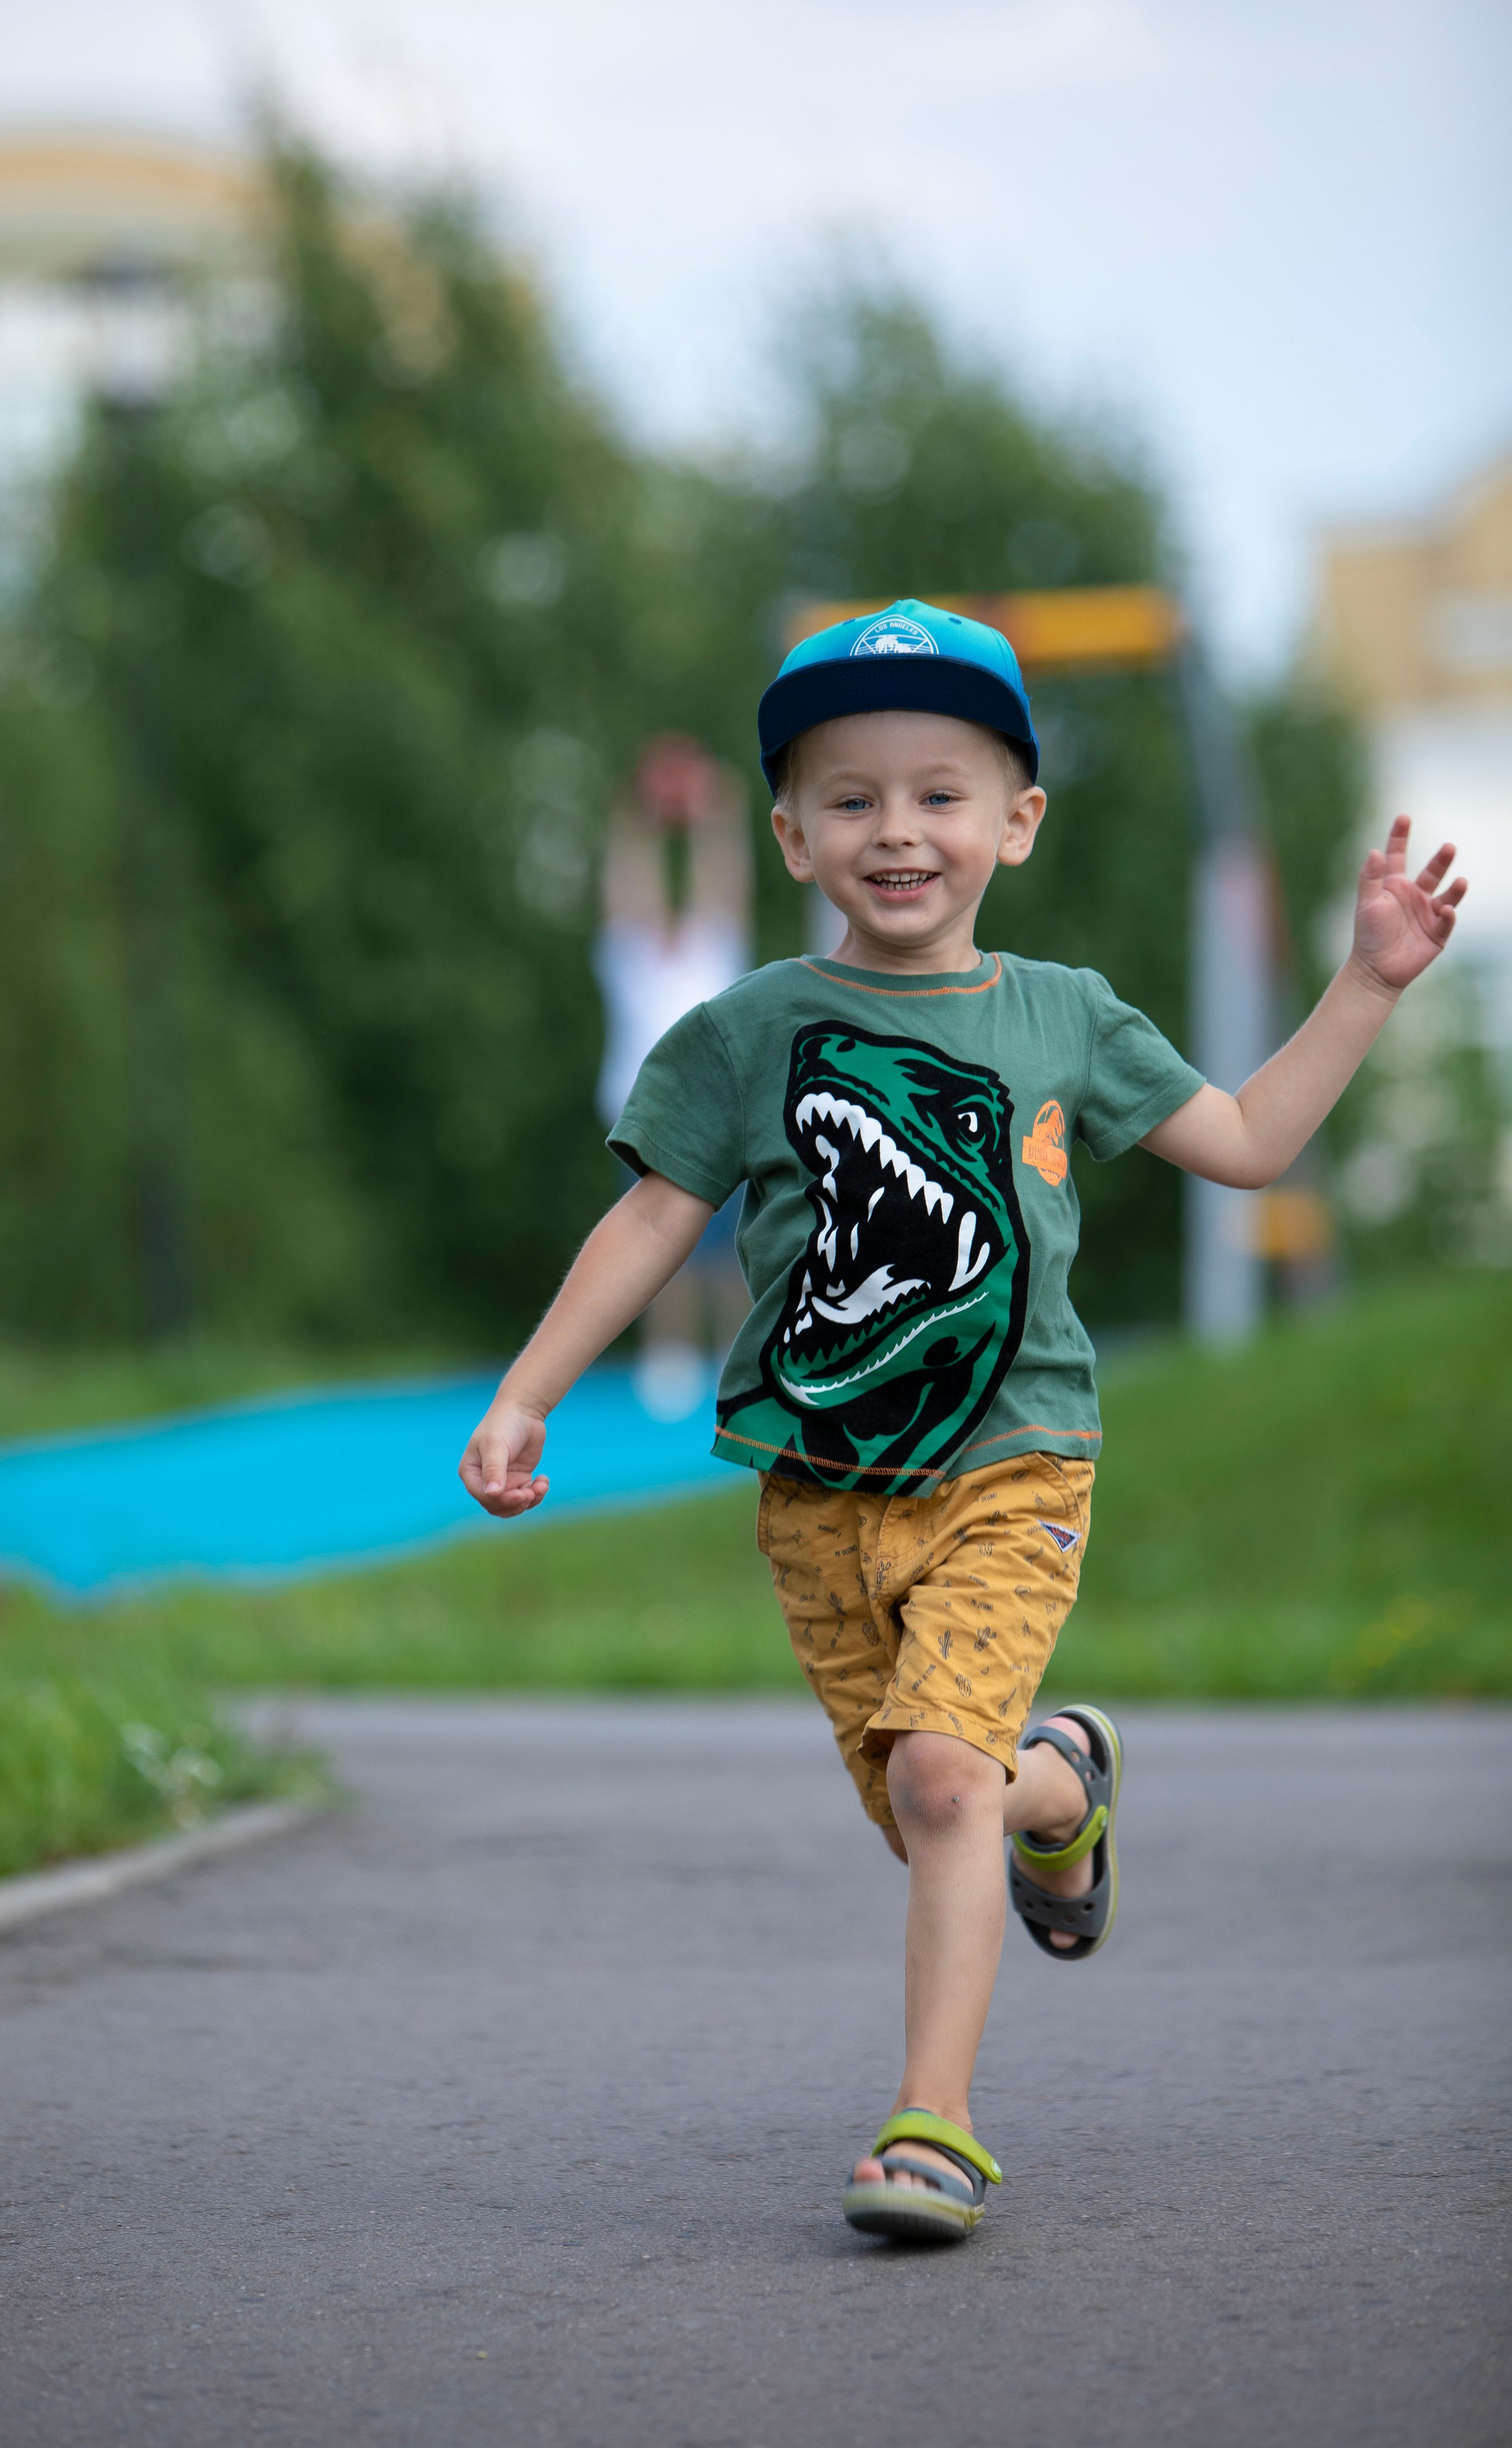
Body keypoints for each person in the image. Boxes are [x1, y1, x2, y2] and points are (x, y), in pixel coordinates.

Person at [460, 598, 1466, 2244]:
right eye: (851, 798)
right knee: (939, 1809)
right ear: (791, 836)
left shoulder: (1063, 1014)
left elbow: (1248, 1143)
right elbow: (650, 1220)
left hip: (1014, 1465)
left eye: (940, 793)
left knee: (941, 1784)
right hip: (816, 1492)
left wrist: (1364, 981)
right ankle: (1065, 1787)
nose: (897, 830)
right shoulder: (748, 1033)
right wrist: (527, 1390)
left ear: (1018, 820)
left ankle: (933, 2127)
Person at [593, 735, 752, 1418]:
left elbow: (725, 881)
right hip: (645, 1114)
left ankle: (736, 1355)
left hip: (717, 1113)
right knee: (655, 1239)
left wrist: (719, 814)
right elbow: (625, 881)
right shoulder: (627, 953)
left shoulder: (713, 948)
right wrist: (638, 816)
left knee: (729, 1243)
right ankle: (669, 1355)